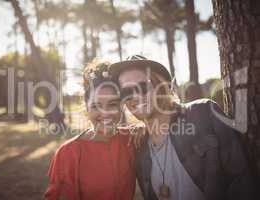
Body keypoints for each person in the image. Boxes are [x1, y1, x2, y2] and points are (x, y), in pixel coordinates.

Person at [109, 55, 256, 200]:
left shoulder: (203, 113)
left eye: (142, 87)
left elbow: (241, 180)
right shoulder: (139, 148)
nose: (135, 97)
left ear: (161, 85)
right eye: (126, 92)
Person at [44, 60, 136, 200]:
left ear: (121, 107)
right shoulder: (68, 153)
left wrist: (141, 128)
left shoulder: (132, 139)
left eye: (112, 104)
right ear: (86, 109)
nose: (105, 113)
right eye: (95, 106)